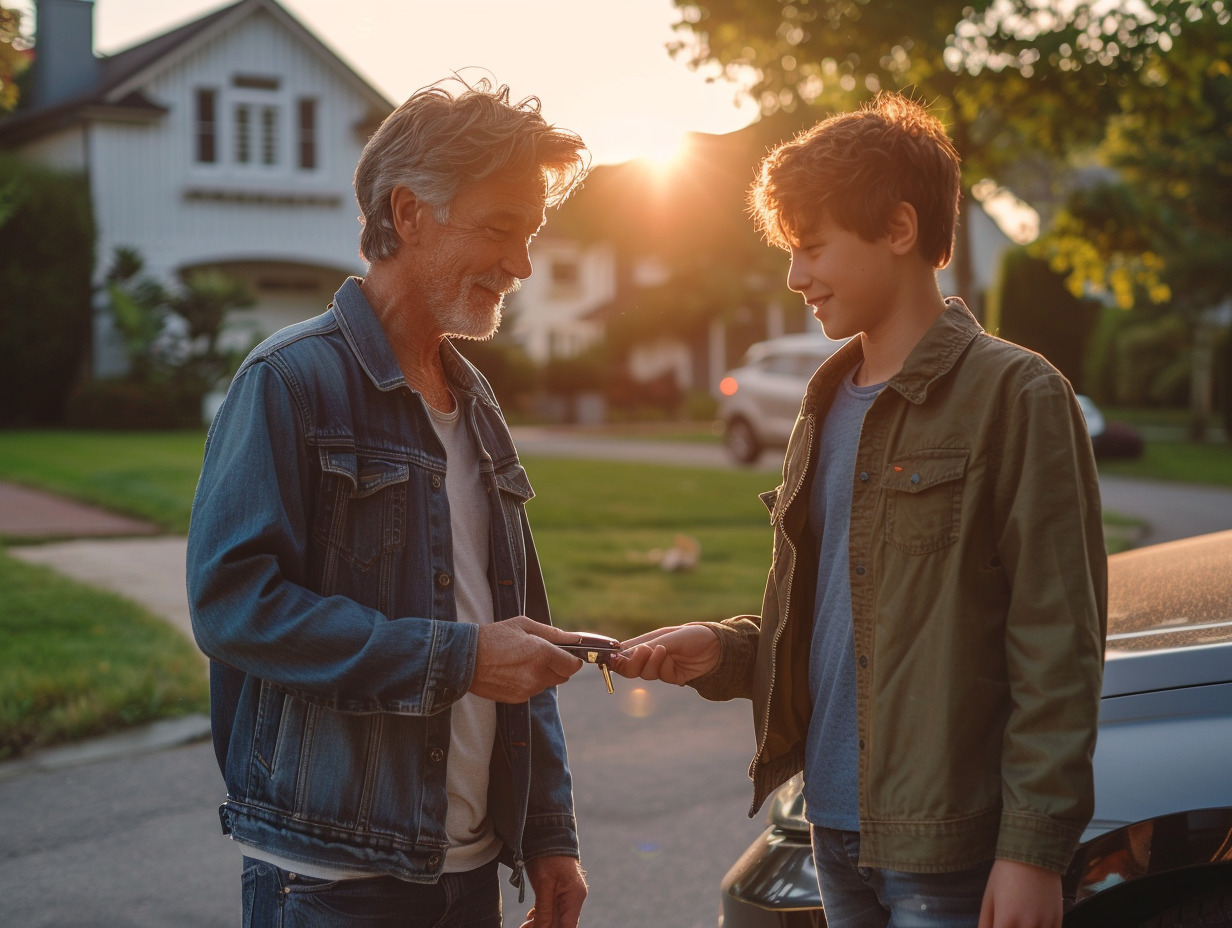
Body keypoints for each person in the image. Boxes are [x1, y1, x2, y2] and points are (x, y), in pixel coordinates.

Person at [614, 93, 1107, 928]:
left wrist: (1032, 850)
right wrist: (724, 651)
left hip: (950, 851)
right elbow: (841, 617)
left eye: (812, 248)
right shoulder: (825, 402)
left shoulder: (1017, 394)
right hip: (830, 830)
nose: (795, 276)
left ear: (900, 229)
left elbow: (1059, 644)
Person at [186, 77, 591, 928]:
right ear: (408, 214)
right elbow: (234, 608)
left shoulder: (476, 403)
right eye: (500, 228)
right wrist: (458, 659)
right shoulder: (289, 381)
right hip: (331, 878)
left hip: (470, 873)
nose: (520, 264)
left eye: (531, 235)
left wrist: (550, 832)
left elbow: (517, 624)